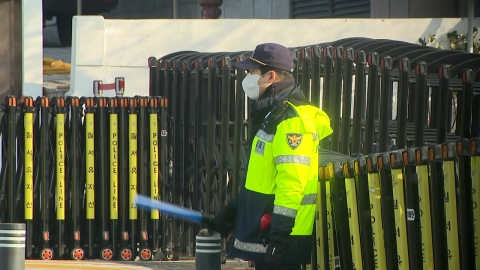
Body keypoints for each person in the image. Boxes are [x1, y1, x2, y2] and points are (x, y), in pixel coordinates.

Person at [211, 43, 333, 270]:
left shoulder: (291, 122)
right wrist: (232, 213)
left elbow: (291, 184)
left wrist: (279, 237)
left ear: (271, 76)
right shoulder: (274, 115)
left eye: (251, 73)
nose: (247, 78)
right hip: (270, 232)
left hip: (281, 238)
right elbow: (263, 180)